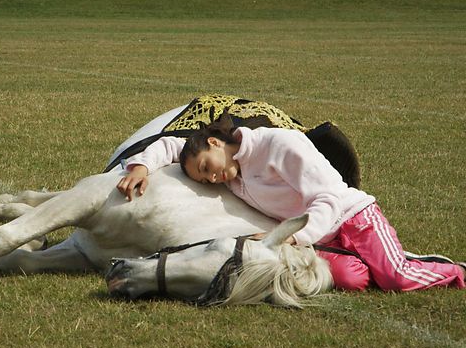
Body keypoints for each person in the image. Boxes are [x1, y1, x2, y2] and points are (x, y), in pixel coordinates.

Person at [116, 114, 465, 291]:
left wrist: (294, 237)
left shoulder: (279, 144)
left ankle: (452, 272)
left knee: (396, 279)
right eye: (203, 178)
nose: (211, 178)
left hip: (351, 217)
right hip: (318, 239)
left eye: (207, 168)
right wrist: (141, 166)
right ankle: (384, 258)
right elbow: (175, 146)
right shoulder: (226, 166)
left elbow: (327, 197)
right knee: (351, 279)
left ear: (215, 141)